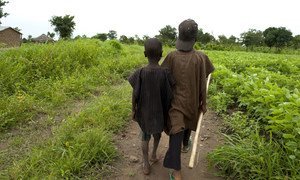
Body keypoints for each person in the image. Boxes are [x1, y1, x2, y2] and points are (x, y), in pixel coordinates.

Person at [162, 19, 215, 180]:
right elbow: (204, 77)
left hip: (175, 105)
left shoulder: (171, 57)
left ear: (179, 37)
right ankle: (177, 172)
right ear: (195, 39)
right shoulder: (201, 57)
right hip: (192, 103)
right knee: (180, 132)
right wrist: (203, 103)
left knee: (179, 132)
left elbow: (163, 77)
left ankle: (185, 144)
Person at [128, 38, 175, 175]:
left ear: (144, 54)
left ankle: (146, 162)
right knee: (157, 134)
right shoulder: (165, 73)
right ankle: (153, 154)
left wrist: (133, 110)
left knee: (144, 137)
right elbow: (171, 93)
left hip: (144, 114)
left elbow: (134, 95)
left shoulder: (140, 73)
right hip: (160, 113)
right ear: (161, 53)